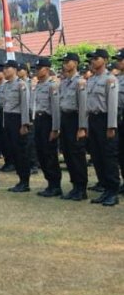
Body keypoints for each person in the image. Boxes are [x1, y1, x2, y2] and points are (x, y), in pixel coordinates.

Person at [85, 49, 120, 206]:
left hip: (105, 120)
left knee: (108, 157)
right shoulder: (91, 80)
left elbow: (112, 105)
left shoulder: (110, 79)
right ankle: (105, 189)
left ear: (105, 60)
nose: (93, 61)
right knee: (97, 156)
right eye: (92, 58)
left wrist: (111, 125)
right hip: (92, 119)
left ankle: (113, 191)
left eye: (96, 58)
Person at [58, 53, 89, 200]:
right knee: (68, 154)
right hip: (65, 119)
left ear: (75, 63)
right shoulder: (64, 82)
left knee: (77, 154)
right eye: (63, 61)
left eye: (67, 61)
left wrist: (82, 127)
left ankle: (81, 188)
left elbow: (83, 106)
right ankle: (74, 186)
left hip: (75, 119)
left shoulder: (80, 82)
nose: (64, 63)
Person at [32, 58, 62, 197]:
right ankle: (49, 183)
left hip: (48, 121)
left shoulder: (52, 86)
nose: (36, 71)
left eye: (39, 68)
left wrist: (55, 128)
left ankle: (55, 185)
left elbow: (56, 109)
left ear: (47, 69)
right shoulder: (38, 85)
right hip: (38, 120)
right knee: (41, 153)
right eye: (36, 69)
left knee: (49, 154)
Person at [2, 59, 32, 192]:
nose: (5, 71)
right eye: (4, 68)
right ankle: (20, 179)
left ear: (14, 70)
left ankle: (25, 181)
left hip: (18, 119)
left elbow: (25, 105)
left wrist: (25, 123)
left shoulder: (21, 85)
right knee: (13, 150)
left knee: (21, 152)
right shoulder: (5, 85)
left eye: (7, 68)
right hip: (8, 118)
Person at [113, 48, 124, 194]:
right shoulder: (117, 79)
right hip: (119, 117)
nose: (118, 62)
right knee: (120, 152)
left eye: (121, 59)